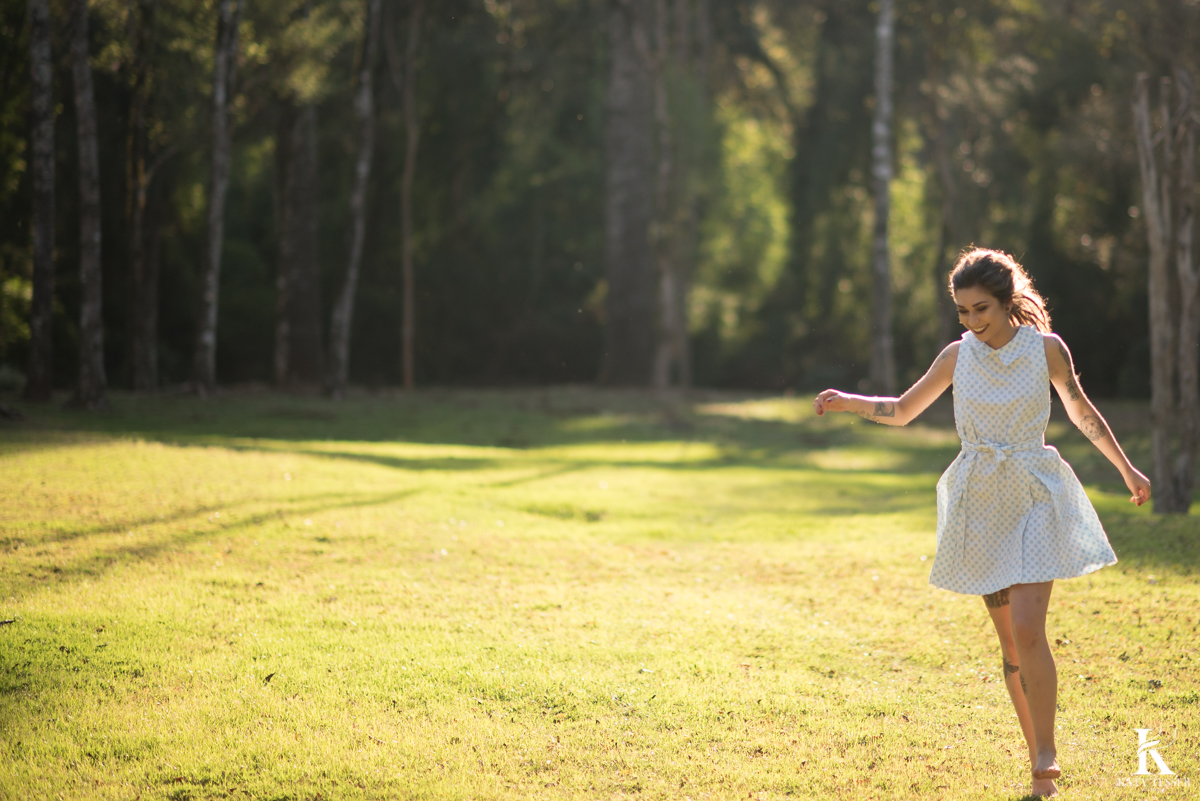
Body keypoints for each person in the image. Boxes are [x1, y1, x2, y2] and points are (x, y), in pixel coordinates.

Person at [812, 248, 1151, 798]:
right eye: (963, 311)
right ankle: (1035, 756)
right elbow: (902, 409)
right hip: (980, 505)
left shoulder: (1046, 351)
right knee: (1011, 647)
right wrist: (851, 402)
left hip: (1037, 492)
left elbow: (1082, 412)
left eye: (981, 309)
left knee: (1027, 628)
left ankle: (1047, 758)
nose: (972, 321)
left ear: (1008, 300)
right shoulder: (956, 356)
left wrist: (1127, 469)